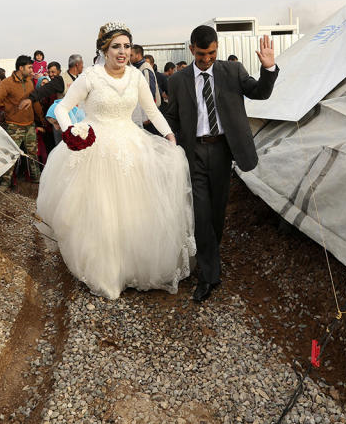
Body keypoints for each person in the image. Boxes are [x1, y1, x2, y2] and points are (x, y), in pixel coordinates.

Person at [37, 22, 195, 299]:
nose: (123, 52)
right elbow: (62, 107)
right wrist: (71, 130)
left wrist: (169, 135)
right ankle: (106, 272)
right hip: (96, 147)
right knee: (102, 212)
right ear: (104, 49)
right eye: (116, 47)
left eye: (127, 46)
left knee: (133, 209)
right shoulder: (90, 77)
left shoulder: (136, 77)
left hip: (130, 145)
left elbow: (152, 111)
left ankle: (133, 267)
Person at [164, 25, 278, 302]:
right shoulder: (178, 81)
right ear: (191, 50)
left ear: (218, 48)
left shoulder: (231, 71)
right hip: (195, 153)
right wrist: (172, 141)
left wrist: (269, 68)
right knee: (201, 214)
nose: (207, 59)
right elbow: (173, 117)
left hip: (223, 152)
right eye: (202, 54)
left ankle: (210, 255)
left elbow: (260, 93)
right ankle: (208, 276)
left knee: (216, 213)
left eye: (212, 53)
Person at [0, 55, 42, 183]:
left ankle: (37, 179)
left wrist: (41, 118)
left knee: (33, 154)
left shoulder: (29, 81)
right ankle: (5, 183)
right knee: (11, 155)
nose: (31, 70)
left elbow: (34, 101)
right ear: (20, 67)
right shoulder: (6, 83)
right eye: (29, 67)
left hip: (30, 124)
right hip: (14, 125)